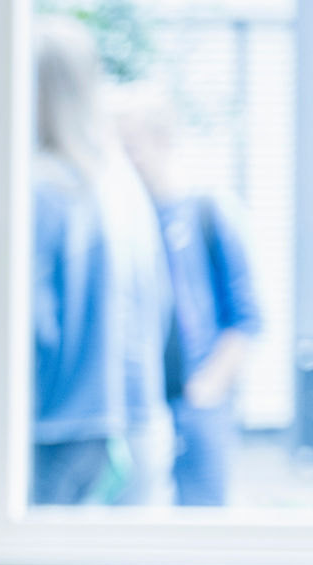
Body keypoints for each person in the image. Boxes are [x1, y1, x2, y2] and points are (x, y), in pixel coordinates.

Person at [33, 16, 171, 506]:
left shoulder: (42, 189)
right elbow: (159, 305)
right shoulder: (120, 185)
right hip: (132, 418)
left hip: (56, 426)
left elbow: (33, 323)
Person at [117, 83, 264, 508]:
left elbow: (247, 316)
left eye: (132, 146)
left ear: (163, 141)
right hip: (143, 411)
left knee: (201, 529)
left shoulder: (208, 211)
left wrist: (207, 389)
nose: (126, 160)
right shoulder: (126, 221)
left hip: (198, 408)